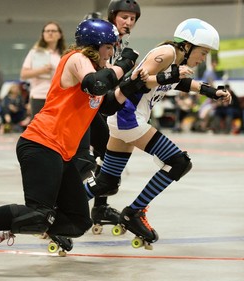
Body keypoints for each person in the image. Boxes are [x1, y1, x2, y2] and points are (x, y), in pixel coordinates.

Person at [0, 18, 139, 273]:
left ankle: (4, 225)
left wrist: (133, 83)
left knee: (78, 221)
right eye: (110, 47)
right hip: (41, 142)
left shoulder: (94, 68)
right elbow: (97, 84)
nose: (112, 53)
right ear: (96, 45)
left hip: (60, 152)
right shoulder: (77, 58)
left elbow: (106, 103)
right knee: (39, 212)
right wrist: (124, 63)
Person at [84, 18, 232, 245]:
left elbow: (180, 83)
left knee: (106, 183)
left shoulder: (178, 58)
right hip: (128, 117)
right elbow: (137, 81)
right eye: (202, 52)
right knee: (179, 162)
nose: (203, 58)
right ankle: (134, 212)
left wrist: (212, 92)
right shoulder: (168, 52)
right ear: (187, 44)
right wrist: (172, 75)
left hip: (127, 119)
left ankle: (58, 208)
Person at [75, 0, 142, 233]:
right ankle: (68, 206)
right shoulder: (102, 39)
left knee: (107, 158)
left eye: (133, 19)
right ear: (113, 16)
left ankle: (99, 208)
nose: (129, 22)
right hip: (90, 106)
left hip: (104, 107)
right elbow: (99, 78)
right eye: (124, 17)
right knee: (95, 160)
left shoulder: (123, 43)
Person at [19, 21, 66, 119]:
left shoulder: (63, 54)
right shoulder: (35, 53)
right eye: (47, 31)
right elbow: (23, 74)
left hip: (59, 97)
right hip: (39, 96)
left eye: (53, 31)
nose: (50, 33)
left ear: (59, 34)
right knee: (39, 130)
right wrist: (42, 70)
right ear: (43, 34)